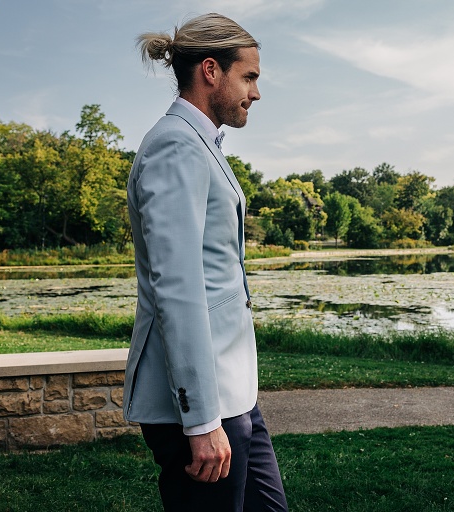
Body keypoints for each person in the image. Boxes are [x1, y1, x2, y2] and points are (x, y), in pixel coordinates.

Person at [123, 13, 288, 511]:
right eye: (250, 77)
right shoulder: (176, 147)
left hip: (232, 394)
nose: (256, 93)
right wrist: (200, 421)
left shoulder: (201, 144)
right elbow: (179, 289)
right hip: (199, 407)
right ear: (211, 71)